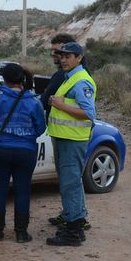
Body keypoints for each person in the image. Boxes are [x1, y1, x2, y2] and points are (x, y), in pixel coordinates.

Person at [0, 64, 46, 243]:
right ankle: (21, 233)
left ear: (4, 79)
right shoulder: (34, 102)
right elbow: (41, 127)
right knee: (23, 190)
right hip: (26, 151)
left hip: (0, 150)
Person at [45, 42, 97, 246]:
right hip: (66, 138)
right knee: (70, 182)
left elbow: (88, 113)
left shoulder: (81, 81)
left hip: (73, 140)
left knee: (70, 184)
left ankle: (73, 232)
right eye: (62, 56)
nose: (63, 60)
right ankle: (76, 223)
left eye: (68, 56)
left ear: (79, 58)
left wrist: (60, 105)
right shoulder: (70, 78)